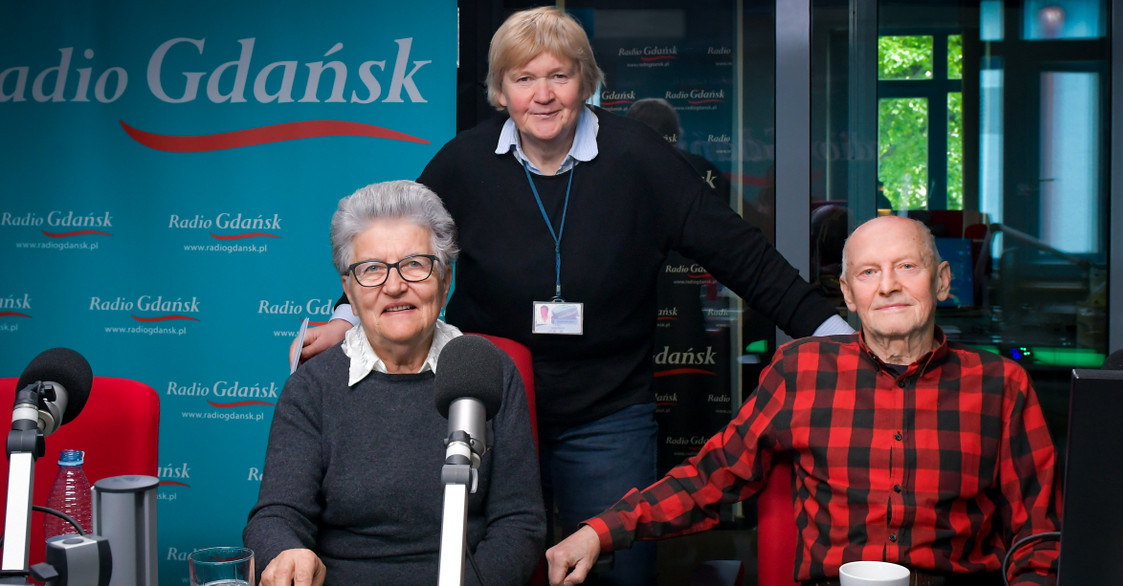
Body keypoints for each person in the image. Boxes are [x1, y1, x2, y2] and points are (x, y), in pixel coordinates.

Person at [292, 7, 853, 583]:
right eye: (523, 78)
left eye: (558, 75)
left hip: (607, 414)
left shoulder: (642, 159)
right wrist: (346, 320)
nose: (543, 95)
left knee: (618, 571)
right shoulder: (464, 163)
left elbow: (746, 257)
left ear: (585, 81)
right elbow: (393, 238)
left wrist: (843, 339)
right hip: (488, 406)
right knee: (488, 566)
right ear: (500, 90)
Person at [545, 215, 1062, 586]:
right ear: (848, 292)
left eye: (907, 266)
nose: (888, 286)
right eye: (868, 273)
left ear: (943, 281)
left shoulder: (1001, 386)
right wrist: (597, 532)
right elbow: (713, 477)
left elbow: (1039, 536)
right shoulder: (802, 372)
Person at [245, 180, 544, 586]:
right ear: (348, 290)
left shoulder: (490, 372)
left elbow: (519, 524)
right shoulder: (312, 387)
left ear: (445, 281)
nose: (394, 285)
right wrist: (284, 552)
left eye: (415, 264)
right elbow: (277, 515)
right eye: (372, 269)